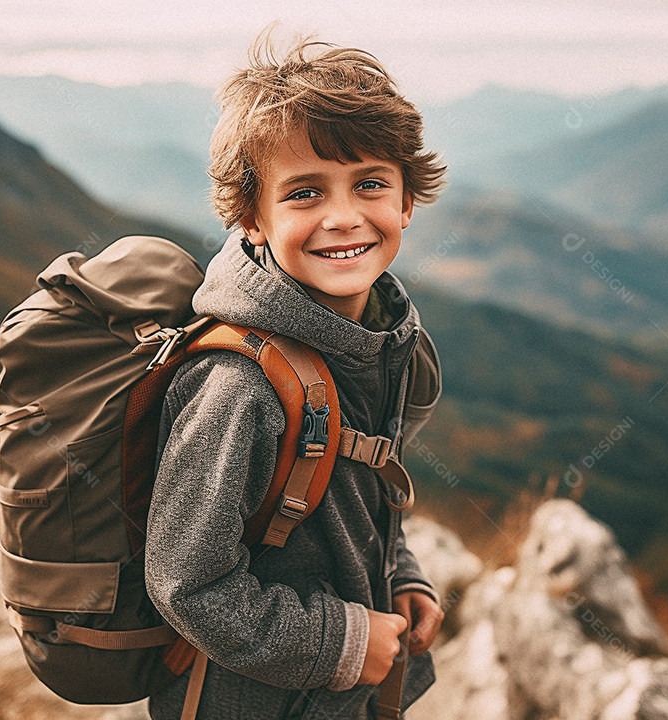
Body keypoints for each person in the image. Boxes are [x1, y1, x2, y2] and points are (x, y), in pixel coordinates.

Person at [145, 29, 448, 720]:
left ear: (406, 201)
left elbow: (360, 496)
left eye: (370, 183)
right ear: (252, 217)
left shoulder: (385, 342)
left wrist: (398, 575)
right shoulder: (236, 385)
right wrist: (340, 641)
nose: (344, 217)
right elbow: (184, 582)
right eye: (305, 193)